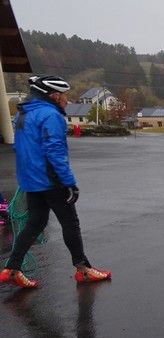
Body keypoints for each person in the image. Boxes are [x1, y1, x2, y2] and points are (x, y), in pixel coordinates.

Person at [0, 75, 111, 289]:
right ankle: (83, 270)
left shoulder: (22, 115)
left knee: (36, 223)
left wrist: (27, 178)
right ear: (54, 96)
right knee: (70, 223)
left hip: (30, 181)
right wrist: (69, 182)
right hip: (51, 181)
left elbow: (18, 148)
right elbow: (55, 152)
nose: (66, 100)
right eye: (64, 96)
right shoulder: (51, 115)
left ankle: (12, 269)